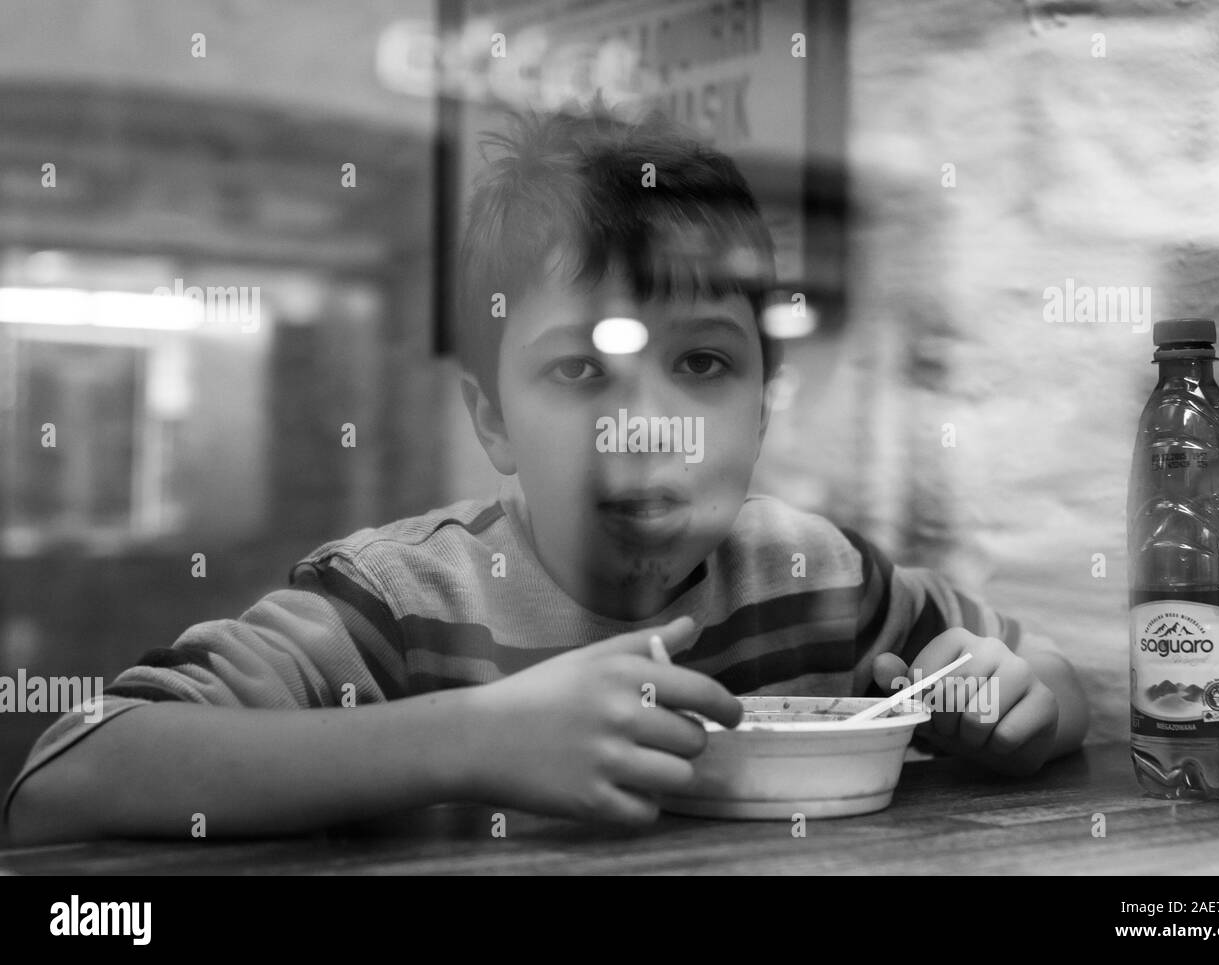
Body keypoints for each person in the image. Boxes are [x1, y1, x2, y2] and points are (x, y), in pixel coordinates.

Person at [5, 102, 1088, 843]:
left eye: (702, 363)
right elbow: (65, 778)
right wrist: (472, 739)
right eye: (579, 369)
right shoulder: (397, 602)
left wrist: (1014, 701)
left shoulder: (820, 577)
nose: (647, 423)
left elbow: (1046, 682)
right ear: (494, 419)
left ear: (763, 402)